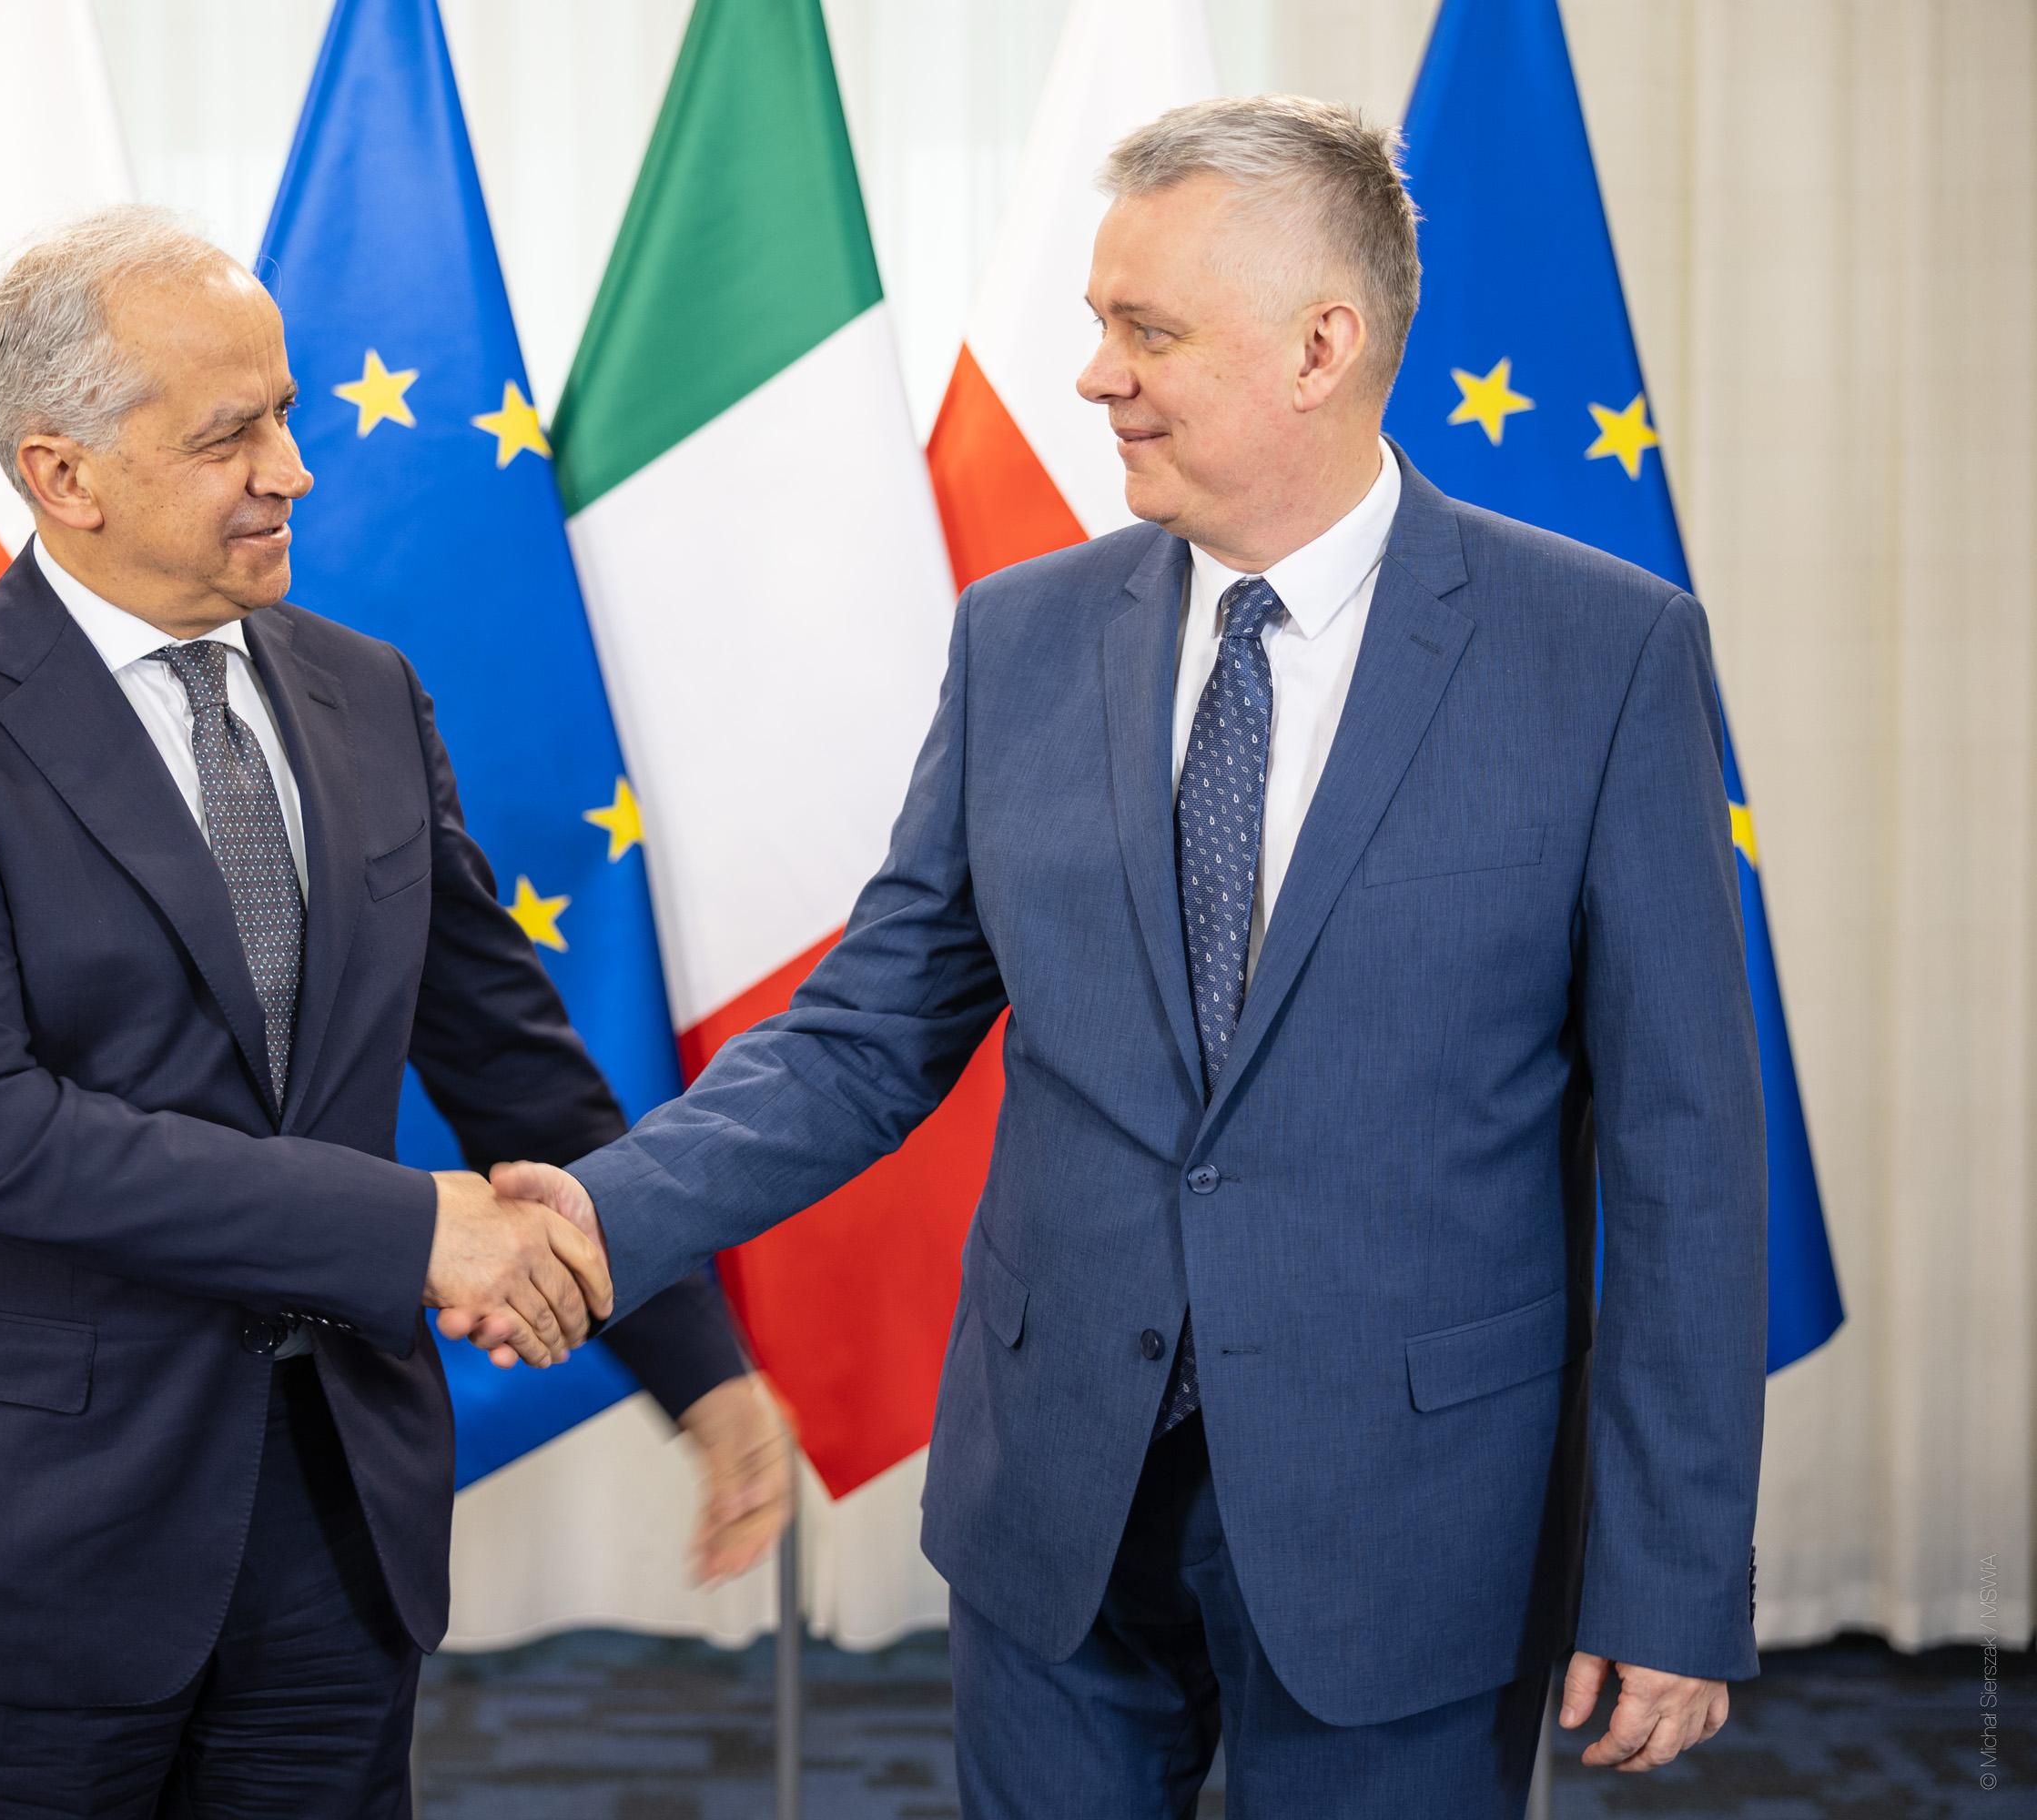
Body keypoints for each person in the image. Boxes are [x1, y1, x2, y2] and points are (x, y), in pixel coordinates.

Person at [491, 96, 1766, 1815]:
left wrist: (1671, 1577)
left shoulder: (1601, 656)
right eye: (1101, 323)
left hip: (1408, 1523)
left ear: (1321, 346)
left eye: (1146, 331)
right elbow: (869, 1032)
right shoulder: (1020, 636)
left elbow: (1689, 1154)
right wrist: (596, 1216)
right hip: (1054, 1506)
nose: (1097, 376)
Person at [0, 207, 788, 1817]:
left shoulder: (365, 693)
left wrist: (699, 1364)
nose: (293, 471)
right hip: (32, 1522)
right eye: (227, 436)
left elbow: (510, 1060)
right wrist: (414, 1228)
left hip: (334, 1516)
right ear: (63, 474)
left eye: (286, 414)